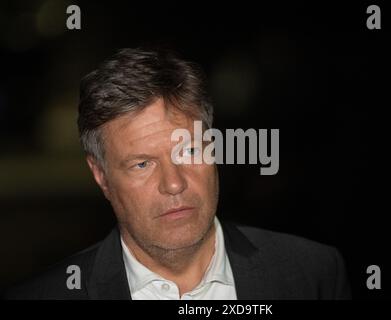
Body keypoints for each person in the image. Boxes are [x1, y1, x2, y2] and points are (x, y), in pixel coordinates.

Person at [5, 48, 351, 300]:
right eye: (142, 164)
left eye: (188, 151)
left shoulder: (314, 274)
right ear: (101, 176)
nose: (174, 183)